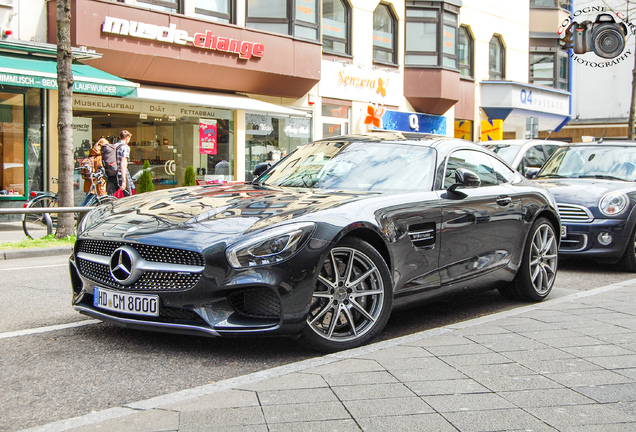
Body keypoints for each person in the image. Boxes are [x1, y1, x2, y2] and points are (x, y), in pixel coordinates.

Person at [80, 138, 108, 206]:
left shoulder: (92, 153)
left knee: (88, 198)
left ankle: (80, 211)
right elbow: (101, 170)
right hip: (97, 182)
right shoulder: (100, 156)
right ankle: (80, 212)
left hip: (89, 181)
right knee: (94, 200)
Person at [115, 130, 135, 197]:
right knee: (128, 196)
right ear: (127, 137)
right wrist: (124, 181)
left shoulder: (114, 146)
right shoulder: (125, 147)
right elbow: (123, 164)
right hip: (121, 174)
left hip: (113, 173)